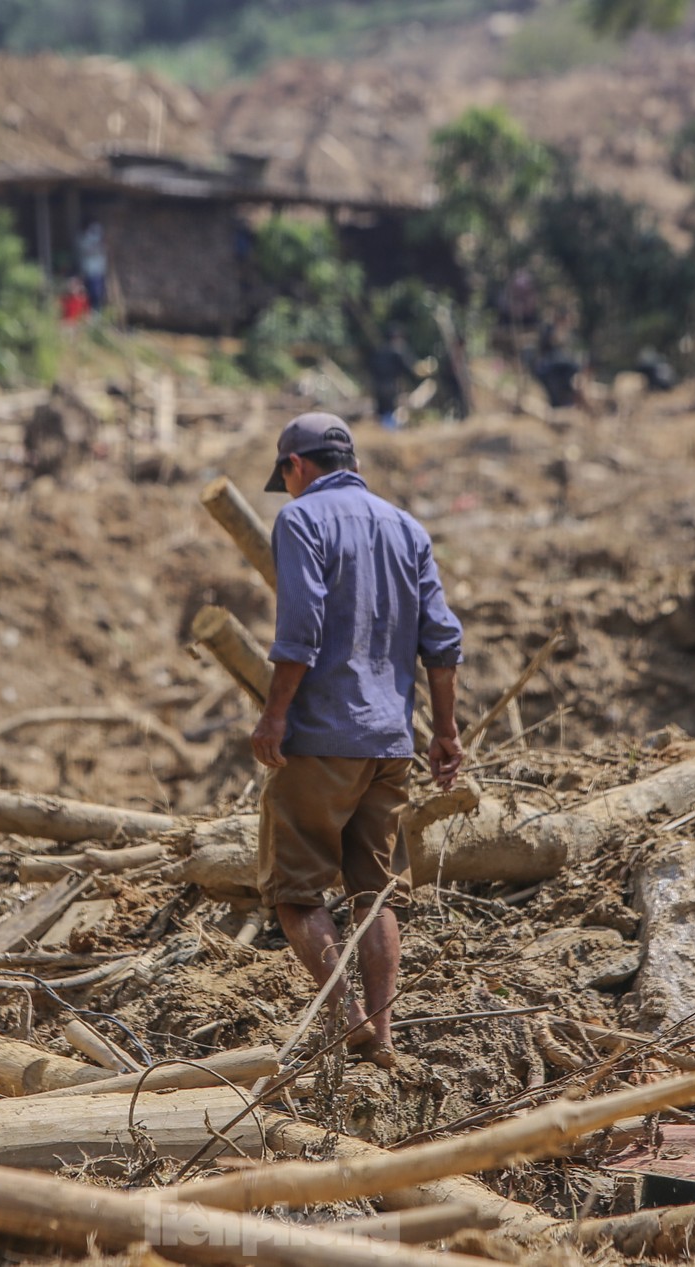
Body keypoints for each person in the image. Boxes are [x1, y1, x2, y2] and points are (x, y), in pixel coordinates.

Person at [251, 413, 464, 1068]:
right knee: (376, 892)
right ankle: (384, 1035)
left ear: (296, 465)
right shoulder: (406, 527)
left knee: (292, 892)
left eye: (283, 476)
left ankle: (346, 1019)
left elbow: (301, 627)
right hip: (389, 744)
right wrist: (446, 730)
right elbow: (443, 637)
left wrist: (275, 714)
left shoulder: (300, 521)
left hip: (320, 738)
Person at [369, 326, 415, 431]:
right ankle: (390, 433)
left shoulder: (380, 351)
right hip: (390, 387)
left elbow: (372, 368)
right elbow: (408, 368)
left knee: (382, 412)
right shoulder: (397, 351)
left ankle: (384, 432)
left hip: (378, 386)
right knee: (390, 411)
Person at [78, 220, 108, 311]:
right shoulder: (83, 239)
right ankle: (93, 311)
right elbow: (87, 251)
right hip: (91, 271)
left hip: (100, 270)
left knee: (100, 293)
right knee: (92, 293)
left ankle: (98, 311)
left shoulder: (98, 236)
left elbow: (104, 247)